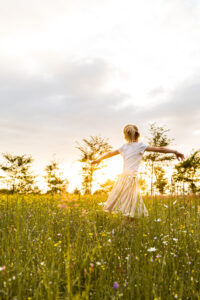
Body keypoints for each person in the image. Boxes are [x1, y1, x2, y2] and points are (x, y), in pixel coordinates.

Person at [91, 124, 184, 220]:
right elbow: (160, 149)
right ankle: (127, 224)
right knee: (130, 203)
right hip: (131, 177)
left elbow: (110, 153)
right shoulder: (140, 146)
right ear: (137, 134)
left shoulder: (124, 147)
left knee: (123, 200)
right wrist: (175, 151)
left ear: (125, 135)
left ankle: (124, 222)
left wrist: (99, 159)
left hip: (123, 177)